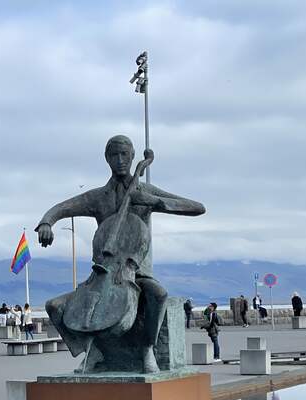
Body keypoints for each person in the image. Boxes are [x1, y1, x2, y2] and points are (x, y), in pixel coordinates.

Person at [36, 135, 205, 373]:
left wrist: (155, 202)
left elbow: (198, 207)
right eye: (114, 155)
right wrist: (46, 222)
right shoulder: (97, 197)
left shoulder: (144, 190)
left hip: (135, 270)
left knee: (158, 294)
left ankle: (147, 349)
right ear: (107, 159)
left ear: (133, 156)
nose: (120, 160)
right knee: (54, 306)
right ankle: (91, 350)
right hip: (103, 272)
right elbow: (62, 208)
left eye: (124, 154)